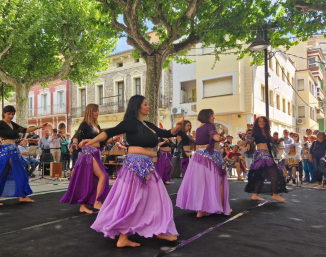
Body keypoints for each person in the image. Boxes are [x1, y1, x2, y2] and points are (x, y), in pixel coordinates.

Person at [80, 95, 183, 248]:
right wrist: (92, 141)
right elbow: (109, 132)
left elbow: (166, 133)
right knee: (132, 199)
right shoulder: (130, 123)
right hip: (135, 165)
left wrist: (177, 127)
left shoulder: (147, 124)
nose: (148, 106)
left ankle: (160, 229)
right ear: (137, 107)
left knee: (159, 199)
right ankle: (123, 237)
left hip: (147, 165)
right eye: (145, 104)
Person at [176, 109, 230, 218]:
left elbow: (208, 137)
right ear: (207, 117)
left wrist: (218, 137)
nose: (213, 117)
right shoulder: (210, 126)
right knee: (218, 181)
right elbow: (214, 135)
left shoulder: (199, 128)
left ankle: (200, 210)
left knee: (201, 182)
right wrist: (219, 138)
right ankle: (221, 207)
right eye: (212, 115)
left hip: (198, 157)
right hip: (210, 158)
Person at [60, 104, 110, 214]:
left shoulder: (97, 126)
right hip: (88, 154)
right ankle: (97, 202)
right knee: (103, 175)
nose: (97, 113)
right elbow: (76, 136)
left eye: (97, 111)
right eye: (95, 111)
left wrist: (114, 138)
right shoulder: (85, 124)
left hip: (96, 154)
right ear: (89, 112)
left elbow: (102, 142)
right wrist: (74, 143)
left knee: (89, 180)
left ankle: (83, 206)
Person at [244, 116, 287, 202]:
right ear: (257, 123)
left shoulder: (266, 133)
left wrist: (278, 140)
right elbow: (251, 140)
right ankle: (275, 194)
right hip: (262, 155)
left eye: (263, 121)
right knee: (275, 173)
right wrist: (248, 145)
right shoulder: (256, 132)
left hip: (266, 154)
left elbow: (273, 141)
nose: (261, 123)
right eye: (259, 121)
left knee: (261, 175)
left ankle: (255, 195)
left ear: (266, 123)